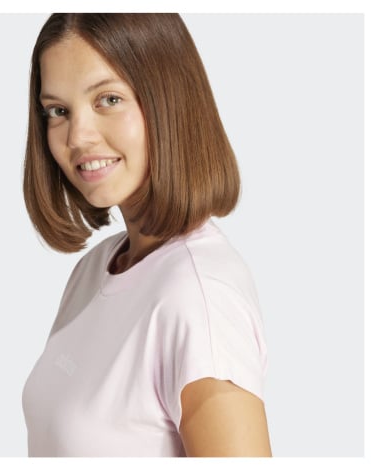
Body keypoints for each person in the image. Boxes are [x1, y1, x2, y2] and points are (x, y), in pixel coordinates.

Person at [21, 13, 272, 457]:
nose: (78, 136)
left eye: (108, 99)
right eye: (58, 111)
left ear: (168, 99)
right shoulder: (94, 271)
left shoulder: (198, 296)